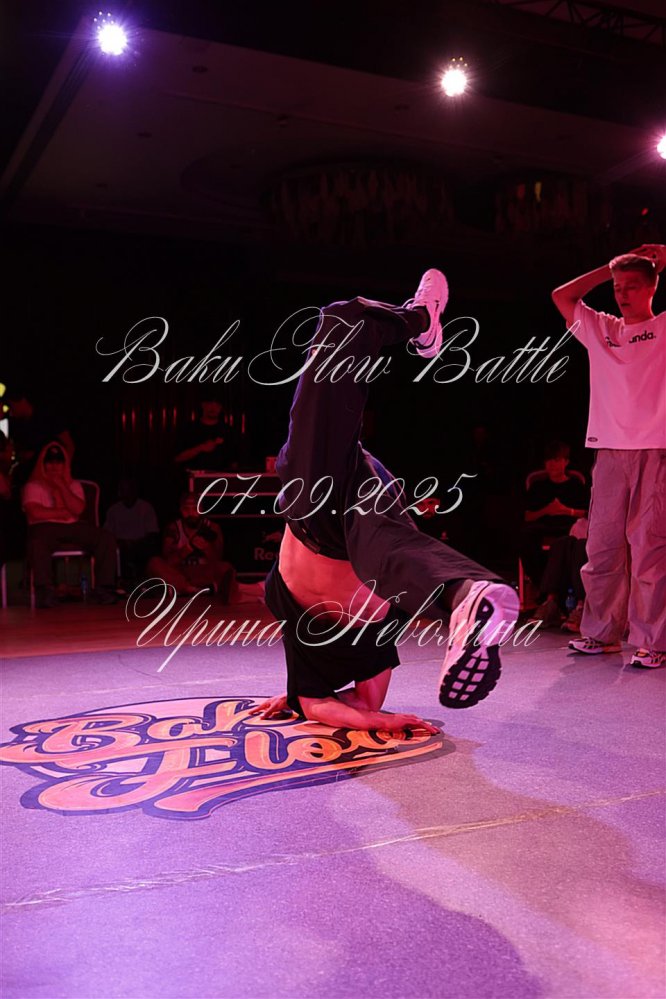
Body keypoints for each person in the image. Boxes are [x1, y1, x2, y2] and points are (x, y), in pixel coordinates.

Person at [251, 270, 519, 734]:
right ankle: (464, 597)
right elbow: (341, 705)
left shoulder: (319, 671)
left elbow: (334, 705)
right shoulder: (339, 661)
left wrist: (344, 711)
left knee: (342, 320)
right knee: (383, 545)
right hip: (351, 521)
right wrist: (366, 717)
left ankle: (420, 319)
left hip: (320, 506)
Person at [552, 244, 665, 668]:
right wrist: (610, 268)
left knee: (649, 549)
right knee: (601, 547)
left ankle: (653, 641)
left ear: (652, 287)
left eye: (633, 286)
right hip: (609, 450)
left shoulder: (663, 328)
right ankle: (601, 634)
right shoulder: (601, 328)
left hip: (654, 448)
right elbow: (562, 296)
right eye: (618, 288)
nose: (623, 294)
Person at [22, 441, 117, 608]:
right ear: (43, 464)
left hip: (73, 526)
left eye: (59, 462)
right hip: (44, 528)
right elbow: (35, 512)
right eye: (50, 462)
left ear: (65, 464)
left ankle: (104, 589)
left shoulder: (74, 485)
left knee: (105, 537)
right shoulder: (33, 486)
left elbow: (78, 509)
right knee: (37, 542)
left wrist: (61, 486)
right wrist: (63, 512)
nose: (54, 466)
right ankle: (45, 592)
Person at [520, 440, 588, 599]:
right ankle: (540, 584)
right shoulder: (538, 486)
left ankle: (563, 589)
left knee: (572, 540)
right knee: (525, 536)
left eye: (556, 460)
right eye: (548, 460)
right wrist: (546, 510)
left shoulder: (575, 485)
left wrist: (566, 510)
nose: (552, 464)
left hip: (568, 525)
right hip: (544, 525)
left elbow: (586, 513)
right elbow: (528, 516)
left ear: (566, 462)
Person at [147, 492, 237, 601]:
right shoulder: (173, 528)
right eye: (186, 509)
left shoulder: (213, 527)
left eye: (195, 508)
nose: (191, 513)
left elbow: (218, 559)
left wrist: (206, 548)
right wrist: (189, 548)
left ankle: (183, 589)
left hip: (203, 573)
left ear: (201, 509)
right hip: (180, 573)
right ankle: (192, 589)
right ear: (181, 510)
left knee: (227, 568)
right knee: (154, 563)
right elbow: (168, 561)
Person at [104, 478, 160, 585]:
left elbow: (153, 534)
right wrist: (123, 543)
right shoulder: (113, 510)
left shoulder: (146, 508)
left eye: (129, 490)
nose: (127, 494)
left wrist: (135, 543)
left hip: (142, 547)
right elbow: (107, 534)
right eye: (123, 490)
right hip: (120, 548)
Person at [174, 397, 238, 472]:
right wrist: (200, 448)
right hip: (192, 476)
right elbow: (177, 458)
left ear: (221, 408)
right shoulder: (188, 429)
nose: (213, 408)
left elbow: (234, 461)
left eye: (217, 405)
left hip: (221, 477)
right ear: (203, 405)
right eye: (209, 404)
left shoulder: (228, 431)